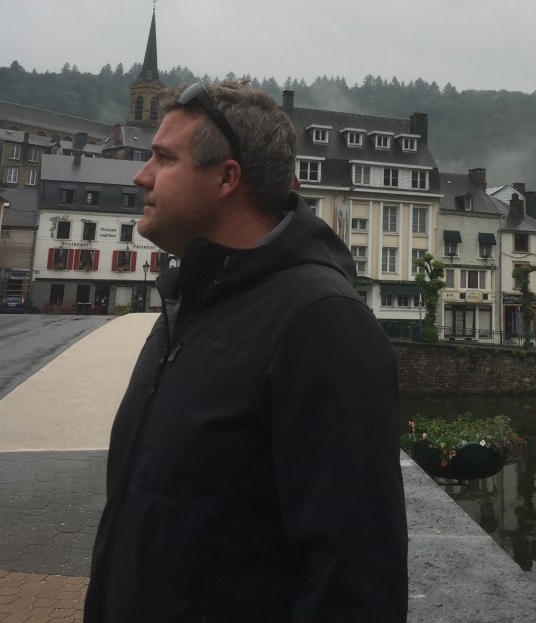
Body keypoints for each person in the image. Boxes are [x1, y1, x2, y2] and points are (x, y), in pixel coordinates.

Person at [84, 81, 408, 623]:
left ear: (226, 178)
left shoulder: (322, 323)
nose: (142, 175)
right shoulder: (191, 301)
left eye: (164, 158)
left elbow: (355, 580)